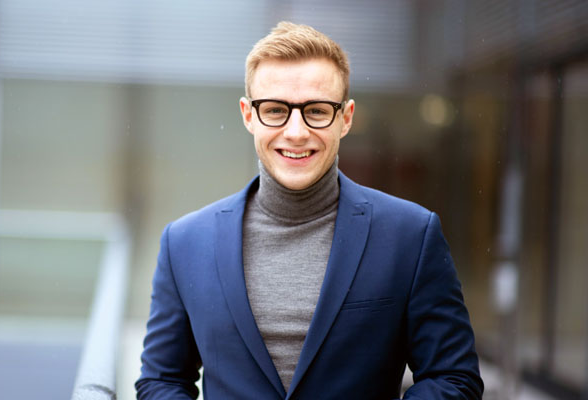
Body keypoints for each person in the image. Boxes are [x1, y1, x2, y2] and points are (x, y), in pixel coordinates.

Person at [136, 21, 483, 399]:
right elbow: (161, 381)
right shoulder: (184, 242)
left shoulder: (411, 235)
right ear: (248, 115)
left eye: (316, 111)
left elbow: (454, 379)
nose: (296, 131)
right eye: (275, 110)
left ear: (345, 118)